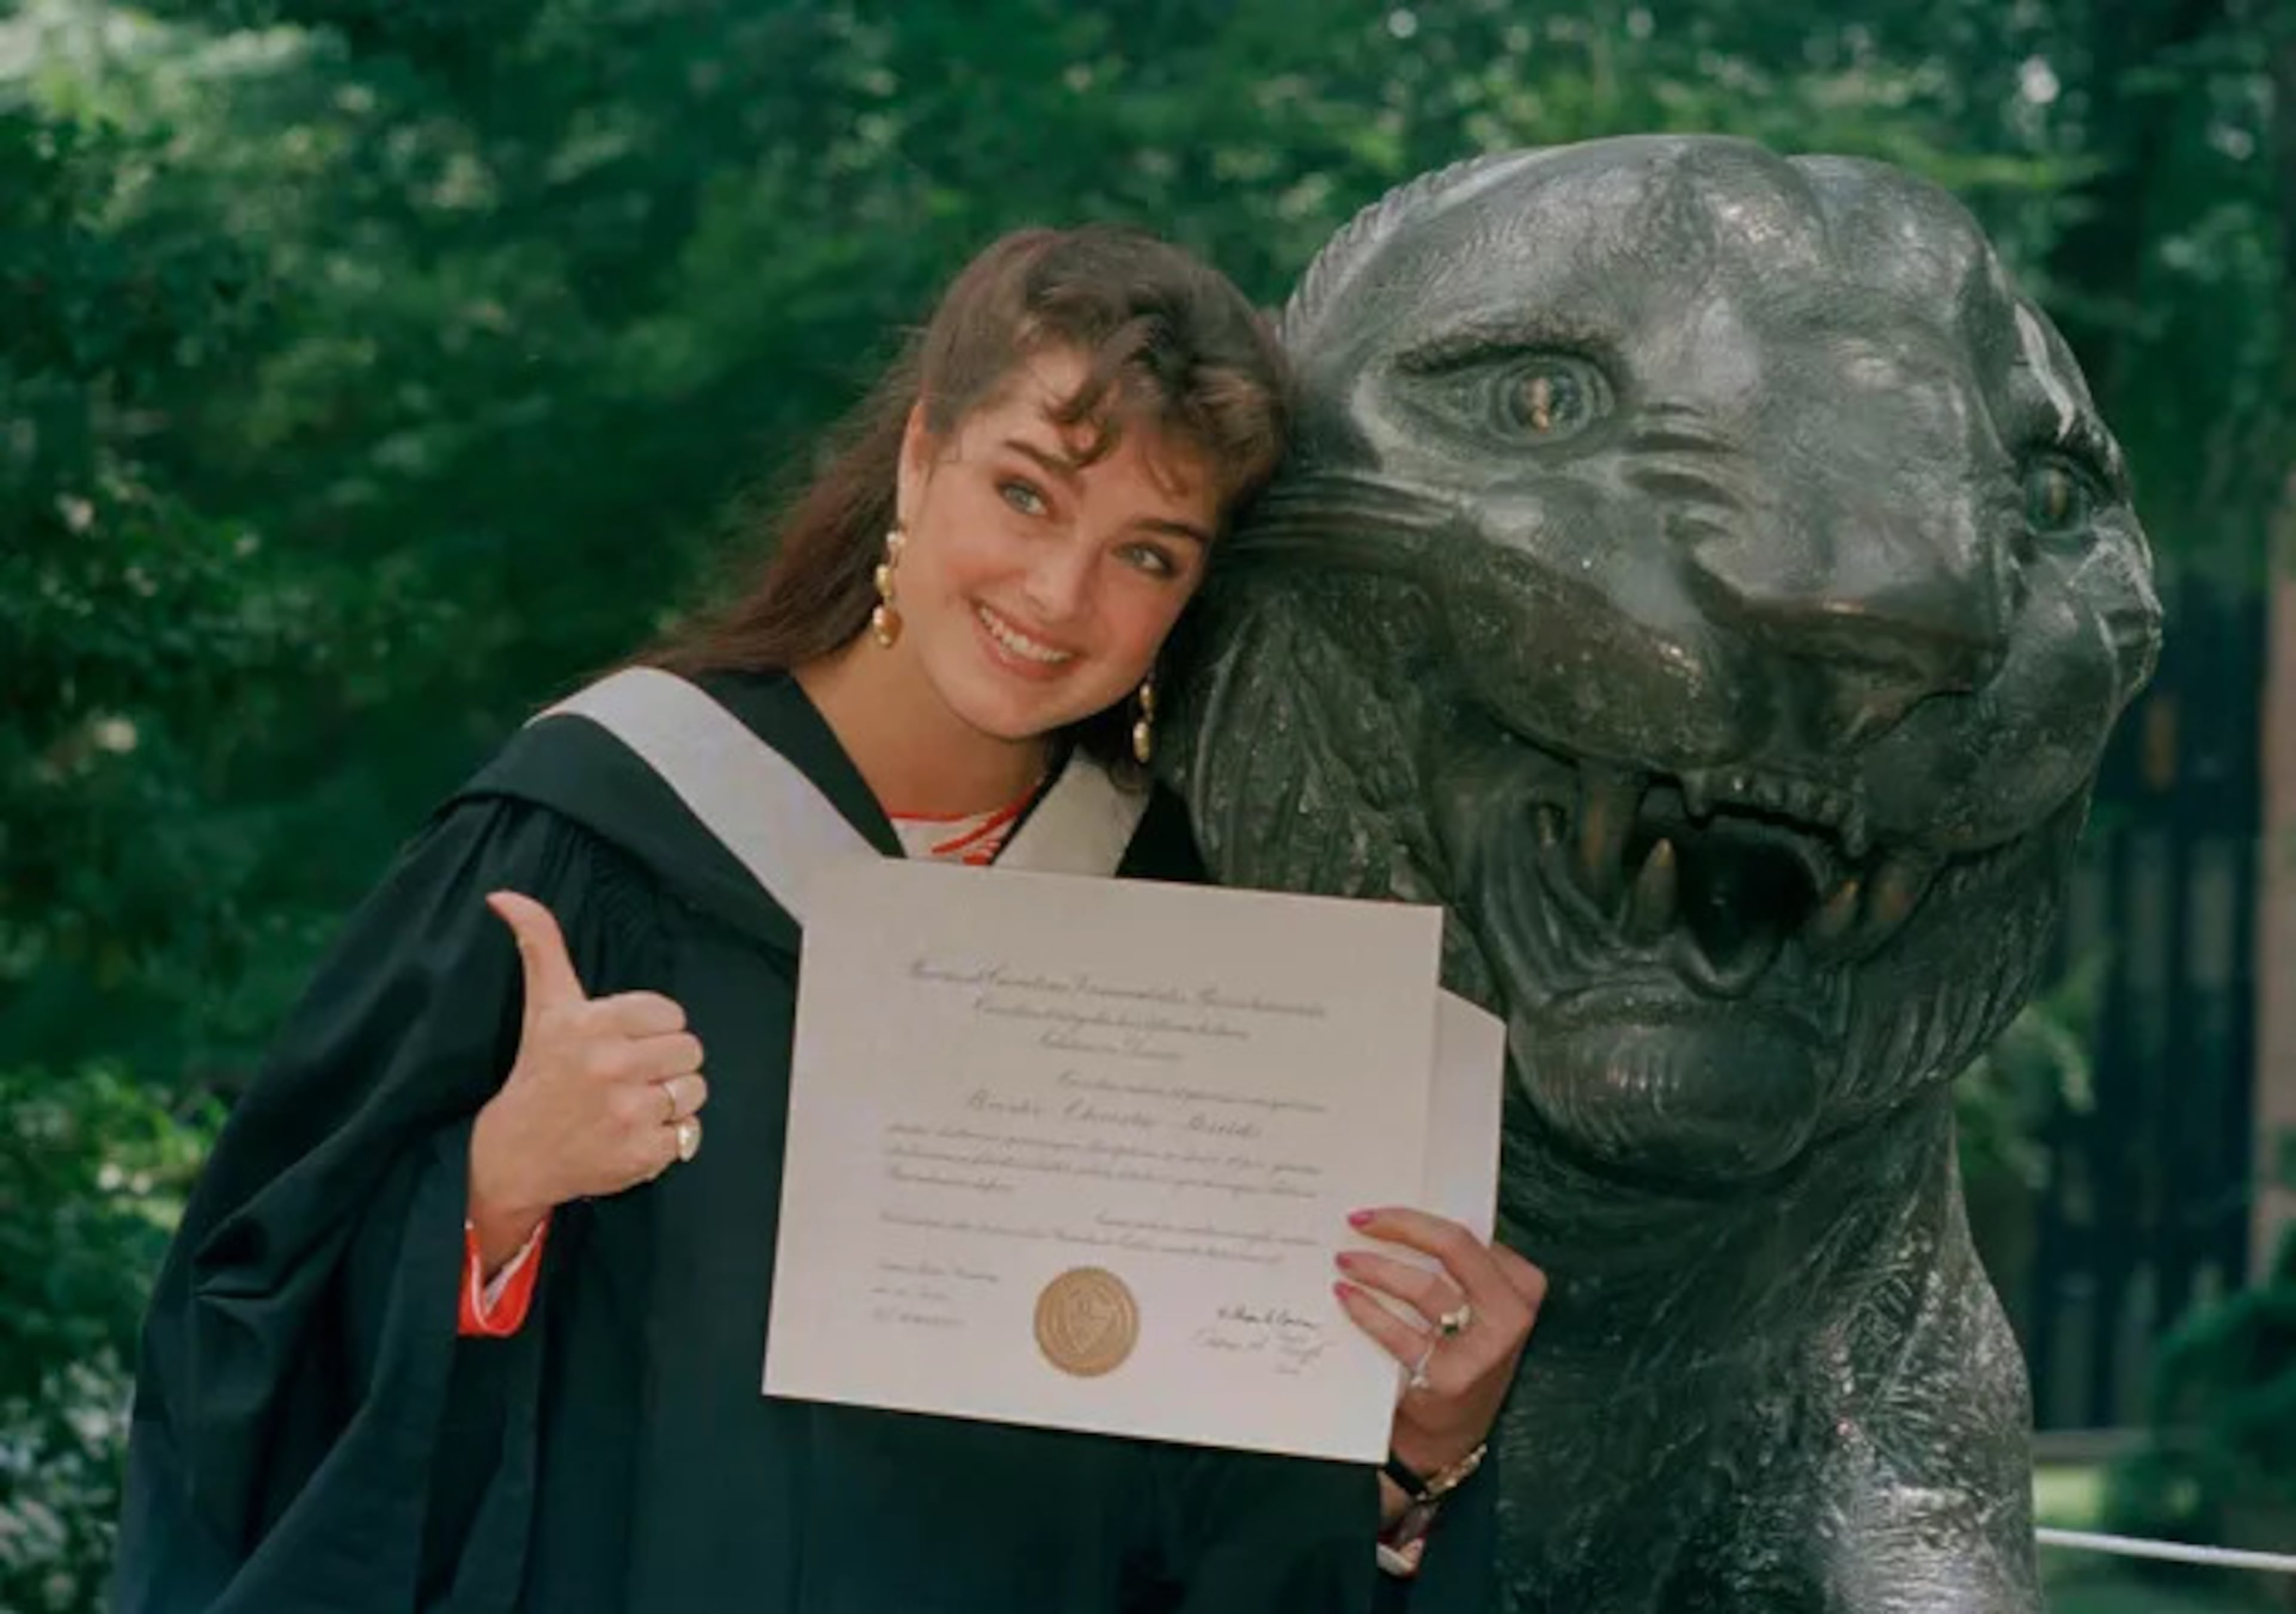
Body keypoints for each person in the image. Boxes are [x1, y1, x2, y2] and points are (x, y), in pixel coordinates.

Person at [111, 224, 1546, 1613]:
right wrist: (492, 1192)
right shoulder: (598, 831)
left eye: (1150, 554)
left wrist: (1416, 1446)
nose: (1061, 596)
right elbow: (241, 1337)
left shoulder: (1188, 953)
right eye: (1029, 493)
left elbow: (1204, 1514)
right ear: (921, 458)